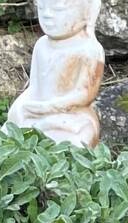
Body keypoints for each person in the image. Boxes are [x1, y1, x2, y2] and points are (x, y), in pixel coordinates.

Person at [7, 0, 105, 148]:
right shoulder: (41, 45)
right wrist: (22, 106)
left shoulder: (90, 50)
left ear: (86, 13)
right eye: (41, 8)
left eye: (58, 9)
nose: (47, 15)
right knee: (13, 125)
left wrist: (51, 107)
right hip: (38, 109)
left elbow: (85, 94)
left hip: (71, 115)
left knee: (78, 139)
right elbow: (34, 87)